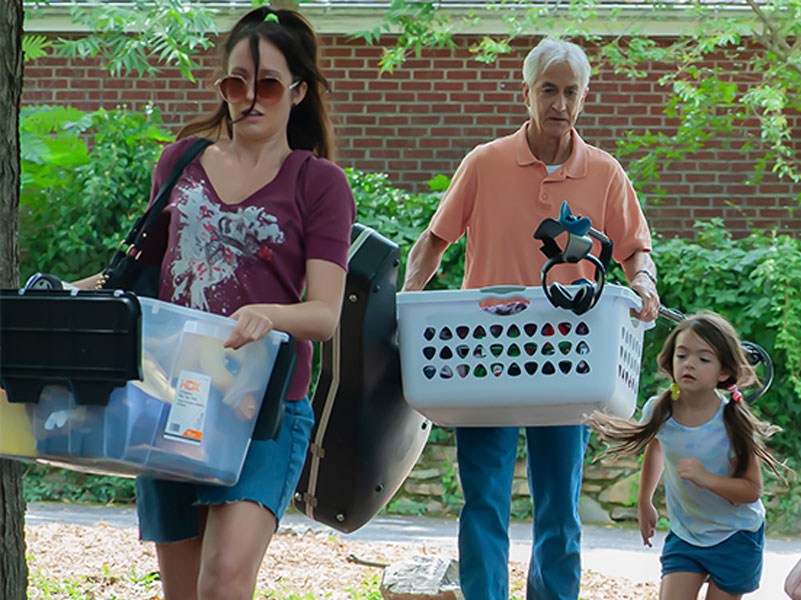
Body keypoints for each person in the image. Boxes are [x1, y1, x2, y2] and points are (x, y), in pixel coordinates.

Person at [70, 7, 354, 600]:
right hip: (171, 399)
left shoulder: (318, 183)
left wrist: (269, 316)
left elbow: (325, 315)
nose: (250, 98)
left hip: (263, 406)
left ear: (298, 92)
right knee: (182, 591)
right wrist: (72, 295)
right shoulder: (180, 163)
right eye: (236, 83)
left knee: (223, 579)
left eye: (269, 84)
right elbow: (137, 273)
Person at [402, 37, 661, 600]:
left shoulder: (605, 172)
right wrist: (403, 307)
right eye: (549, 89)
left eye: (570, 92)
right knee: (485, 502)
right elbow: (433, 242)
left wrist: (643, 281)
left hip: (568, 360)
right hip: (484, 352)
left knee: (559, 509)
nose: (559, 103)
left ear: (584, 97)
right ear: (527, 93)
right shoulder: (485, 162)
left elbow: (636, 249)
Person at [588, 312, 782, 600]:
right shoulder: (661, 410)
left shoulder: (732, 422)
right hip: (686, 534)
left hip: (736, 536)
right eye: (682, 355)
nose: (689, 364)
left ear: (724, 371)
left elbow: (752, 490)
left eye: (704, 359)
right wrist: (644, 501)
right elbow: (656, 445)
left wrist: (706, 479)